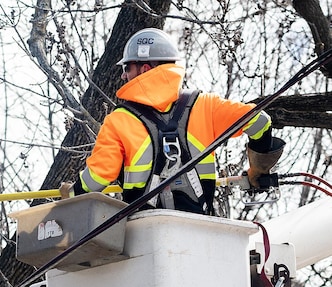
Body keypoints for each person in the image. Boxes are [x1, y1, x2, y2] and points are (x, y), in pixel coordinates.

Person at [66, 28, 285, 215]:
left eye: (127, 68)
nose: (123, 76)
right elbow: (259, 122)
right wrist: (258, 169)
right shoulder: (206, 106)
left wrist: (72, 195)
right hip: (199, 227)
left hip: (143, 234)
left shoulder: (119, 121)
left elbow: (97, 178)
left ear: (145, 69)